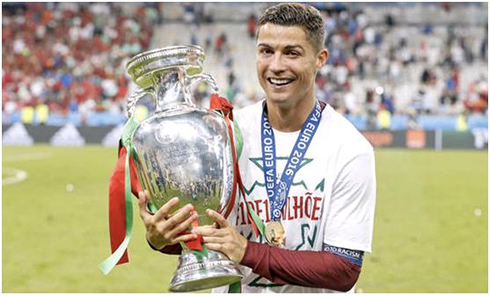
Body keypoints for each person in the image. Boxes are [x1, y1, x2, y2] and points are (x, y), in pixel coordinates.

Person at [137, 3, 376, 293]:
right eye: (266, 51)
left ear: (320, 59)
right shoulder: (223, 132)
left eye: (292, 53)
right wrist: (161, 237)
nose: (276, 66)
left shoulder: (349, 148)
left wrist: (247, 251)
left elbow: (343, 269)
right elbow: (204, 232)